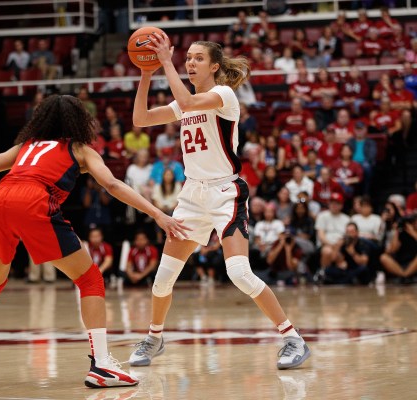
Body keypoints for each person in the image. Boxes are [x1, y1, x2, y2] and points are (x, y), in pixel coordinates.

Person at [0, 94, 189, 389]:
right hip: (33, 201)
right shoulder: (80, 149)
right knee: (90, 279)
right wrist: (158, 215)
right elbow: (111, 184)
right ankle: (101, 364)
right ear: (79, 122)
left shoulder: (25, 146)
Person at [128, 36, 310, 370]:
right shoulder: (184, 102)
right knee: (163, 279)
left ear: (214, 66)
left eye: (198, 59)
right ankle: (154, 338)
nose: (190, 63)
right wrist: (145, 71)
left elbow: (186, 100)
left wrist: (166, 63)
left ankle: (292, 338)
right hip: (192, 195)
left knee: (239, 272)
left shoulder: (223, 95)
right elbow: (140, 119)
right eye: (188, 58)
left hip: (226, 192)